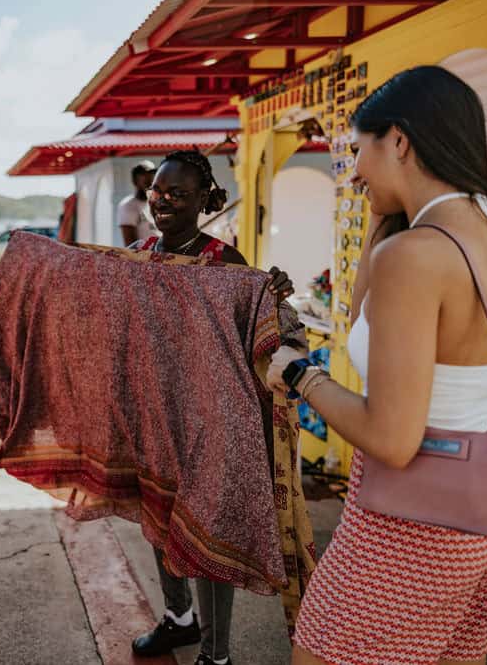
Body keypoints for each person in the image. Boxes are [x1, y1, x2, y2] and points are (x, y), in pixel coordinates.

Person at [267, 66, 487, 664]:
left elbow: (392, 438)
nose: (353, 172)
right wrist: (385, 212)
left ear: (399, 141)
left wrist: (299, 373)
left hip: (409, 524)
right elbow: (365, 327)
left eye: (359, 150)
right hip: (485, 516)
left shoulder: (417, 254)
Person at [131, 150, 297, 665]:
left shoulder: (228, 265)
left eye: (177, 194)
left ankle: (216, 654)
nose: (162, 202)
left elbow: (264, 334)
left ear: (205, 200)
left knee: (206, 537)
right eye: (156, 192)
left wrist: (272, 298)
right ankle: (178, 618)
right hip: (156, 419)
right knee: (159, 520)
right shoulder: (137, 255)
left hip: (210, 426)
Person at [118, 160, 159, 246]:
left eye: (152, 175)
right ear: (135, 181)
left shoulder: (156, 203)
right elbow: (130, 243)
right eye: (143, 175)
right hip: (143, 257)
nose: (150, 179)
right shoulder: (128, 205)